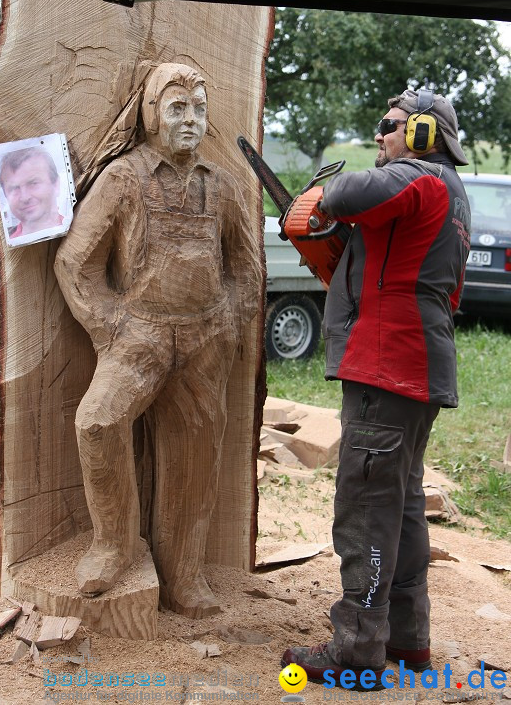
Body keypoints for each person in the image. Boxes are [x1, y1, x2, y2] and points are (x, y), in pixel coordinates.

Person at [54, 62, 260, 616]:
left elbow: (246, 265)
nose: (190, 120)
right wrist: (109, 325)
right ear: (150, 116)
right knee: (98, 421)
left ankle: (185, 575)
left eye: (198, 109)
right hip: (138, 334)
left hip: (205, 339)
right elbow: (75, 263)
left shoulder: (224, 186)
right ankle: (113, 543)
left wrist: (232, 322)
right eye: (176, 108)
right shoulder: (124, 179)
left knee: (194, 454)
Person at [282, 88, 471, 688]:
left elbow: (347, 193)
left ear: (421, 132)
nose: (380, 136)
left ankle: (357, 647)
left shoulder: (423, 178)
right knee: (403, 503)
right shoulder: (444, 192)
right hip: (414, 367)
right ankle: (408, 639)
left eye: (389, 126)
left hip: (390, 365)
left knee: (365, 505)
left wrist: (321, 197)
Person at [0, 147, 64, 238]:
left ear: (56, 185)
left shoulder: (79, 230)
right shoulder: (6, 247)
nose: (25, 197)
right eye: (14, 188)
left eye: (33, 183)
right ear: (5, 195)